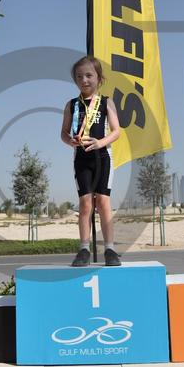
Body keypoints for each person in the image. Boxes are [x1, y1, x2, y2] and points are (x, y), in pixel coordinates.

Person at [61, 56, 121, 266]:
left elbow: (117, 131)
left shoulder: (106, 102)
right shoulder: (71, 105)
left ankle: (110, 249)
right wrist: (70, 141)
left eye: (89, 75)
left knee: (103, 201)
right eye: (79, 76)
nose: (84, 80)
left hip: (102, 157)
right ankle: (84, 249)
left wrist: (100, 142)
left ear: (99, 78)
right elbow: (63, 133)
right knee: (85, 203)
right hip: (82, 158)